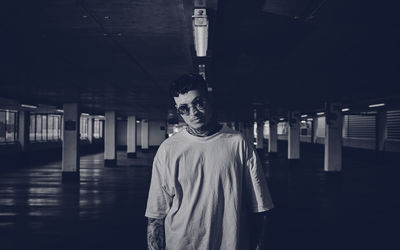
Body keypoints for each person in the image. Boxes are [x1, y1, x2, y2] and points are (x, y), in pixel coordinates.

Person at [145, 73, 274, 250]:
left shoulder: (238, 143)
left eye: (199, 103)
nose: (194, 113)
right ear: (178, 111)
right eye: (184, 108)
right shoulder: (168, 149)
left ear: (209, 99)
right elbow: (156, 214)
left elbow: (260, 207)